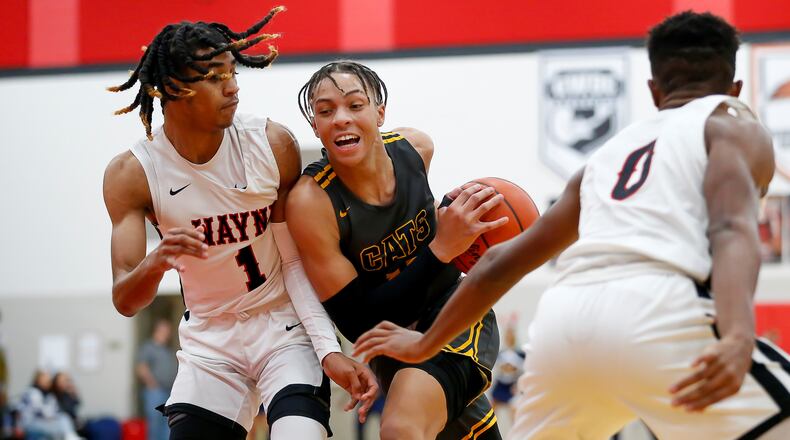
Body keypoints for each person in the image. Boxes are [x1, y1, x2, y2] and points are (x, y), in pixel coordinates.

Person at [354, 11, 790, 439]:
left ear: (654, 91)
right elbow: (732, 227)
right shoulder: (733, 124)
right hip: (661, 308)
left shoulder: (606, 156)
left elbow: (501, 261)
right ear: (734, 90)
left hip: (564, 328)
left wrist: (423, 343)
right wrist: (736, 335)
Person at [102, 8, 377, 440]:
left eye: (232, 73)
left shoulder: (271, 144)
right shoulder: (133, 175)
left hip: (282, 326)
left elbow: (293, 261)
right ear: (172, 89)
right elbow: (125, 299)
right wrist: (157, 261)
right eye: (214, 77)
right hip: (210, 341)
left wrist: (327, 350)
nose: (231, 87)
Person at [287, 60, 506, 440]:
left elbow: (448, 250)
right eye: (326, 111)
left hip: (453, 315)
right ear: (315, 128)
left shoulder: (416, 149)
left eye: (355, 105)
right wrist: (439, 249)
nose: (341, 118)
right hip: (389, 342)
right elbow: (359, 325)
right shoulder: (311, 202)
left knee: (401, 429)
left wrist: (459, 238)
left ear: (379, 113)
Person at [135, 319, 177, 440]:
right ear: (158, 330)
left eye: (168, 331)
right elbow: (141, 368)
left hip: (169, 393)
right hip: (156, 392)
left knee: (167, 425)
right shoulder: (149, 347)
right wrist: (152, 384)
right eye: (165, 330)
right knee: (155, 425)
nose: (168, 333)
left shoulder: (167, 350)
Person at [17, 370, 80, 440]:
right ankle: (70, 436)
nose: (48, 380)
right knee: (62, 421)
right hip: (31, 423)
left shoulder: (49, 395)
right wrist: (53, 417)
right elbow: (42, 412)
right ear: (38, 379)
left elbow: (55, 410)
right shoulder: (32, 392)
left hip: (43, 423)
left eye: (49, 379)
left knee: (63, 418)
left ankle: (70, 435)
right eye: (45, 378)